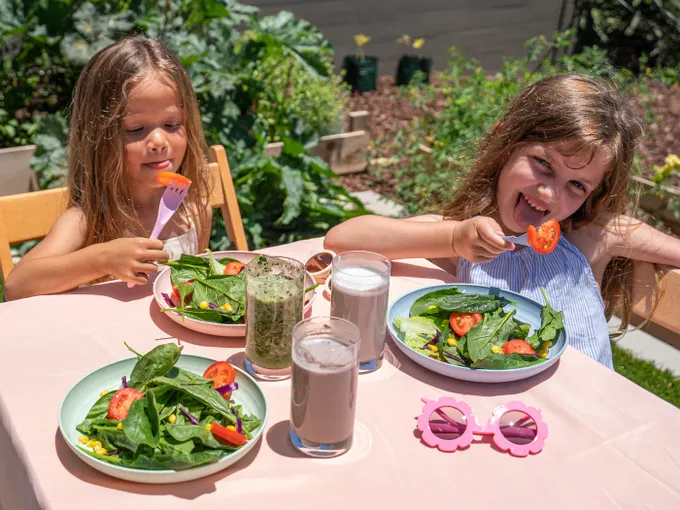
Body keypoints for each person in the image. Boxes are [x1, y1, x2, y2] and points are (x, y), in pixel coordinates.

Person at [324, 74, 680, 369]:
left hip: (599, 421)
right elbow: (344, 239)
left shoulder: (593, 235)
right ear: (504, 141)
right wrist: (453, 238)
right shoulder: (461, 238)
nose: (550, 194)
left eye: (576, 185)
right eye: (543, 163)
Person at [4, 37, 212, 300]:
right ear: (99, 139)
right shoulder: (88, 220)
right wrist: (101, 259)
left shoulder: (194, 210)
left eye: (172, 125)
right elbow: (16, 286)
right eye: (136, 129)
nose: (159, 142)